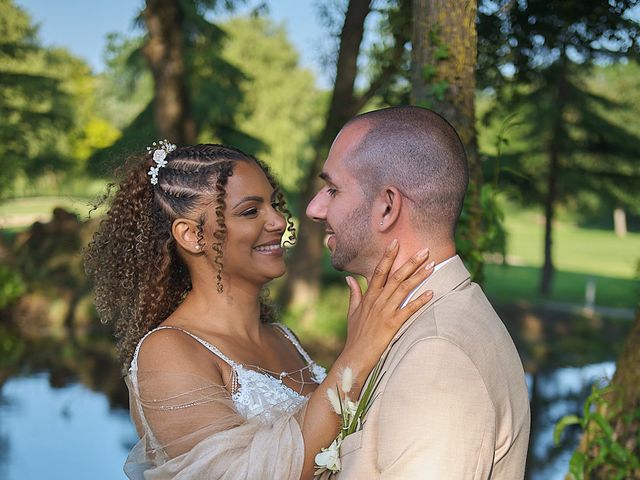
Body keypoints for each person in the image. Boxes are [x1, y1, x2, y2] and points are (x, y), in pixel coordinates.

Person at [84, 142, 434, 479]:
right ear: (192, 235)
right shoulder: (168, 352)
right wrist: (356, 356)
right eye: (250, 211)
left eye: (273, 204)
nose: (279, 222)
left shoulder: (283, 338)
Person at [306, 106, 531, 479]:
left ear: (388, 207)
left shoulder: (439, 353)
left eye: (333, 189)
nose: (315, 208)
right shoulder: (421, 321)